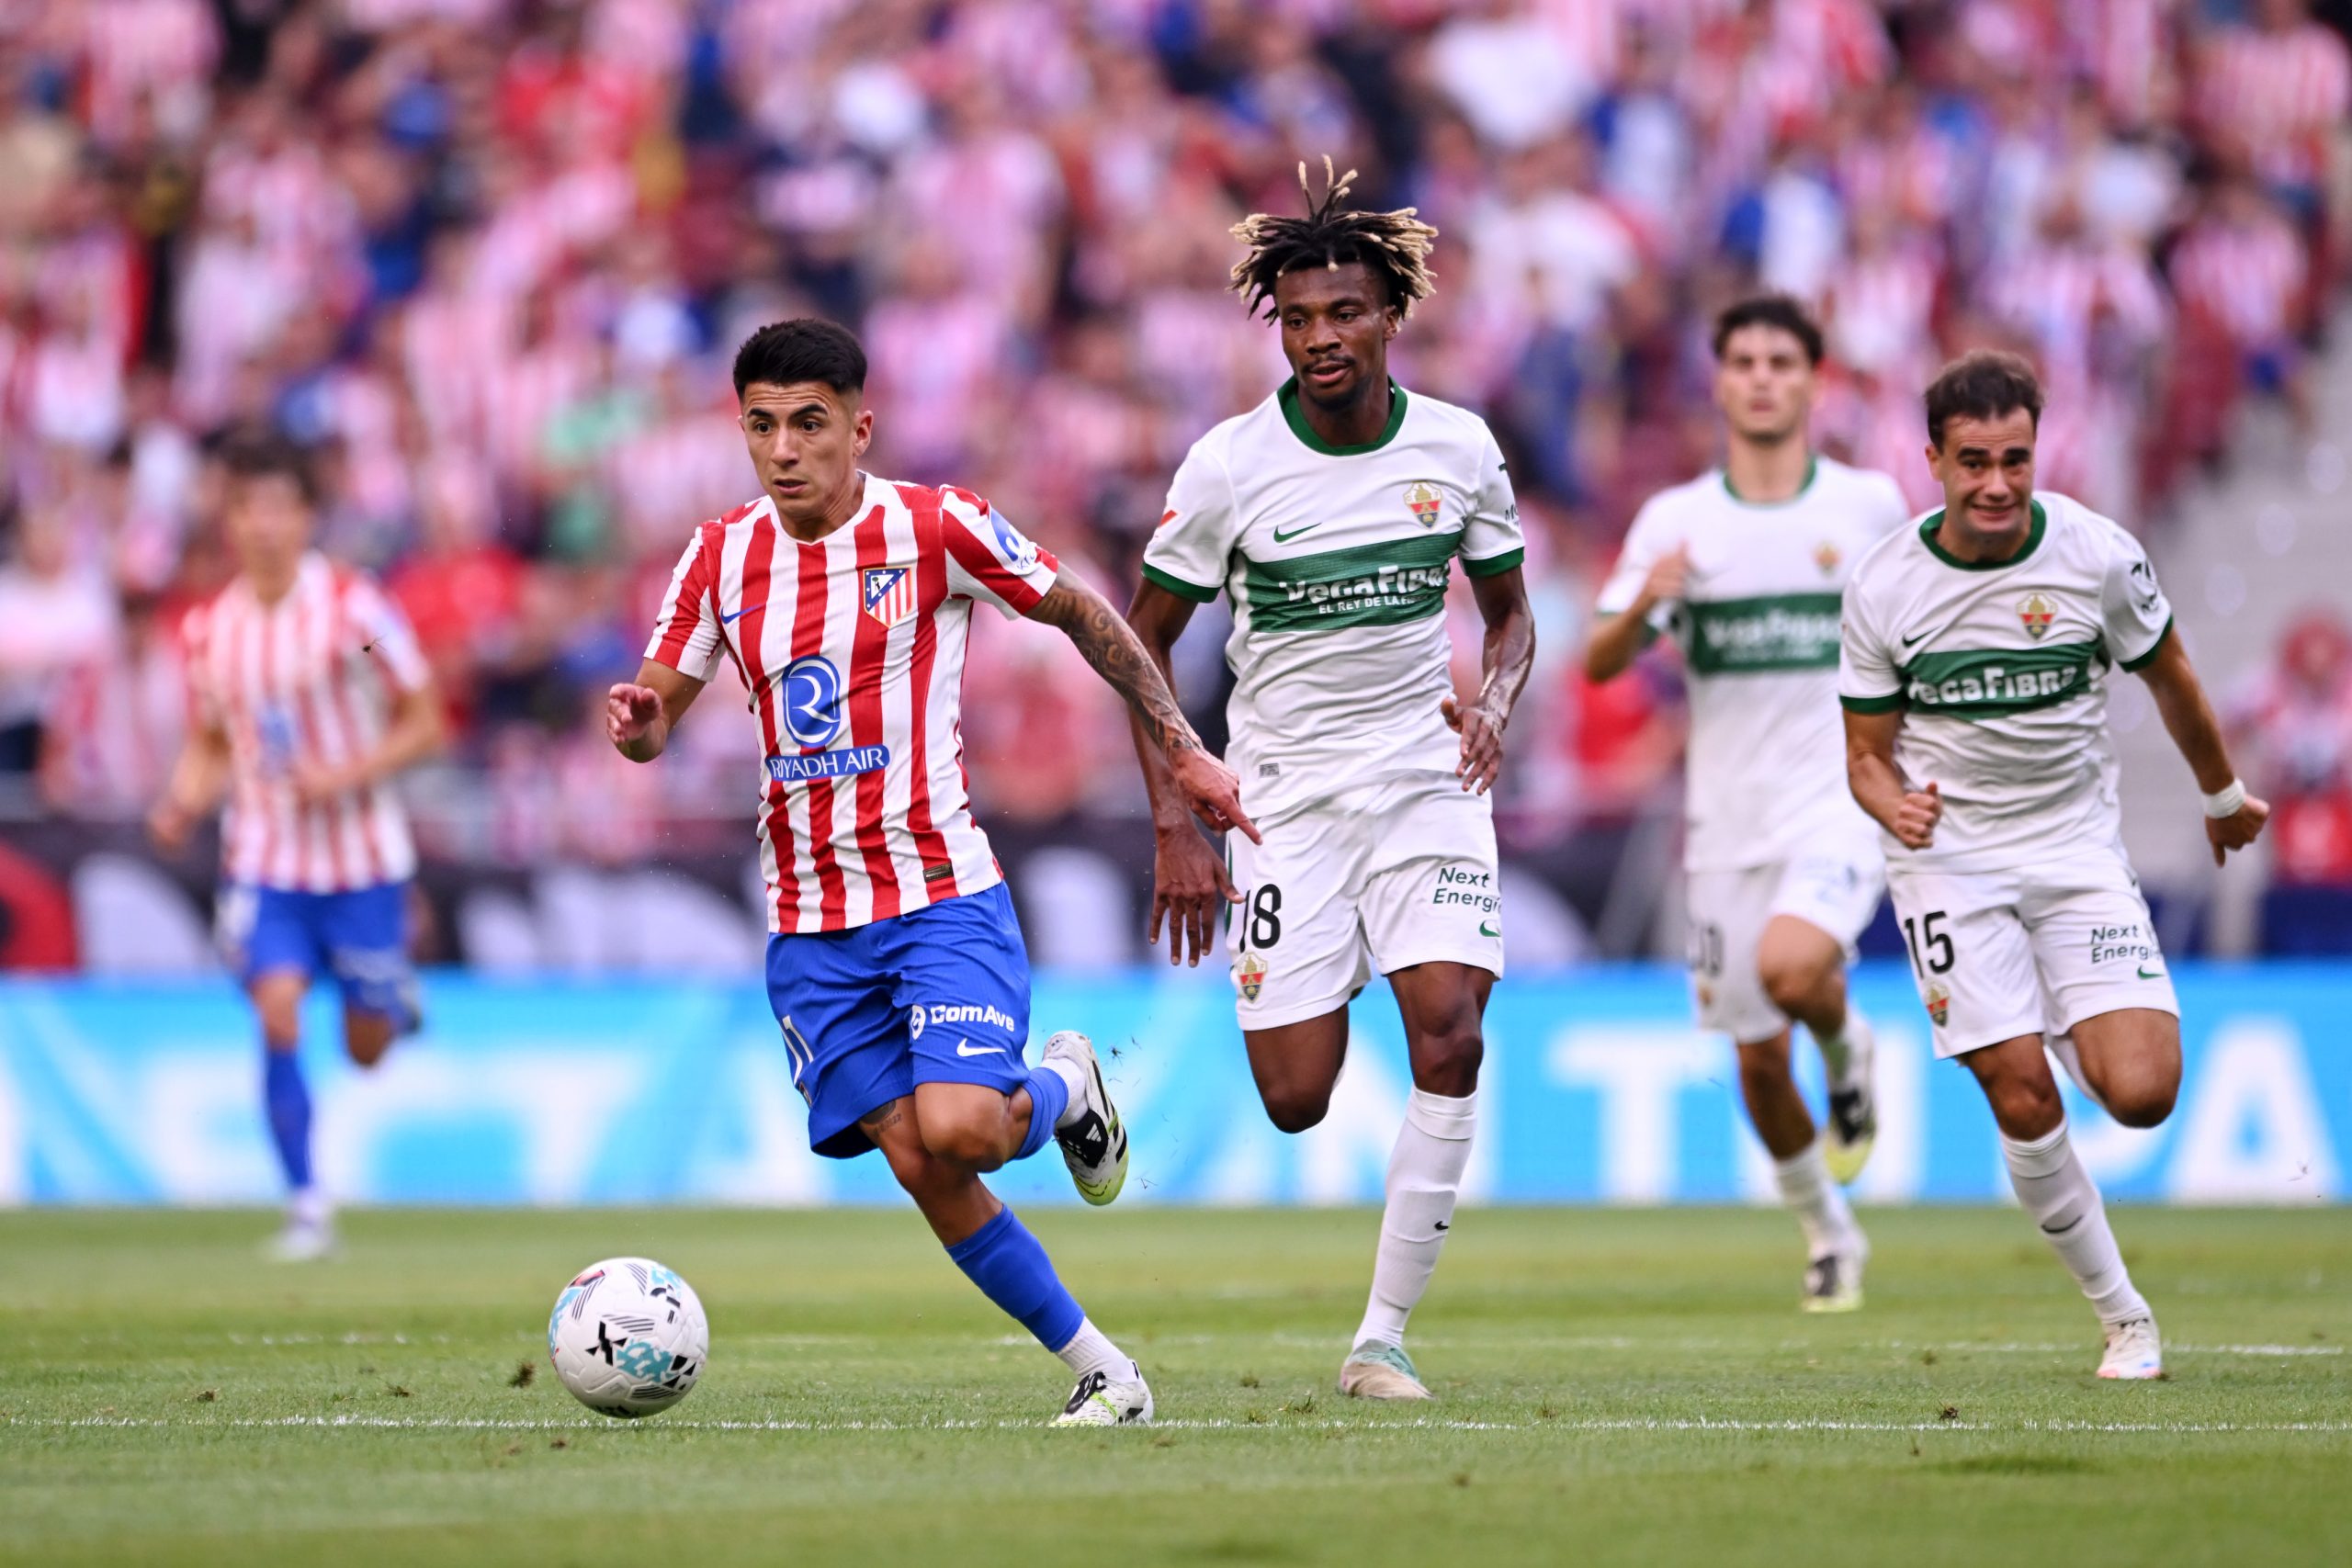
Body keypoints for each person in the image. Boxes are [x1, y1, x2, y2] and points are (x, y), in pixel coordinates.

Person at [606, 318, 1250, 1427]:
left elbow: (1082, 612)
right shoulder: (717, 557)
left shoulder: (933, 526)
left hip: (937, 893)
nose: (783, 449)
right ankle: (1108, 1373)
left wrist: (1180, 745)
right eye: (761, 425)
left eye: (809, 424)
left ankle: (1064, 1087)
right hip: (809, 924)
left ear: (859, 429)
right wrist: (638, 724)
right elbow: (658, 709)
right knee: (921, 1165)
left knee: (963, 1128)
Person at [1125, 163, 1535, 1401]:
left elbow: (1511, 618)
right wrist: (1175, 812)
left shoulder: (1458, 448)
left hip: (1424, 776)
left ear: (1390, 313)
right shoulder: (1230, 466)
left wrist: (1495, 704)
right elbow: (1142, 643)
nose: (1319, 339)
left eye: (1343, 312)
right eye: (1298, 319)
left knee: (1450, 1034)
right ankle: (1332, 952)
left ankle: (1381, 1338)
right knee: (1296, 1097)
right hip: (1284, 800)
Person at [1839, 350, 2268, 1379]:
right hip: (1948, 862)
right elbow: (1864, 755)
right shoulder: (1884, 585)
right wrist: (1891, 803)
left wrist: (2221, 796)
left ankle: (2057, 1011)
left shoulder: (2096, 555)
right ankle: (2125, 1318)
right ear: (1933, 460)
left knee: (2143, 1092)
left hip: (2074, 849)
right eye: (1974, 462)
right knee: (2022, 1095)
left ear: (2037, 453)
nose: (1996, 484)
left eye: (2015, 460)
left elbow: (2171, 675)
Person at [1585, 296, 1910, 1312]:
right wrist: (1649, 600)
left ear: (1814, 381)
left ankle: (1846, 1047)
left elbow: (1922, 632)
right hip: (1724, 824)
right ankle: (1829, 1230)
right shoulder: (1676, 521)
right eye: (1744, 362)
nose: (1763, 378)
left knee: (1793, 965)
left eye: (1782, 361)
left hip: (1836, 802)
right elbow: (1599, 660)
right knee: (1759, 1062)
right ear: (1719, 383)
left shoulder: (1867, 507)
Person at [150, 437, 445, 1260]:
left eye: (280, 507)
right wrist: (182, 799)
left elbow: (425, 718)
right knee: (276, 1007)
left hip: (361, 860)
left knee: (365, 1048)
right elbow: (213, 739)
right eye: (249, 508)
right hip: (266, 859)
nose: (265, 525)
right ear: (231, 520)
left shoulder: (356, 615)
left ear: (307, 517)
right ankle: (307, 1203)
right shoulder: (210, 631)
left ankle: (390, 999)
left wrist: (344, 775)